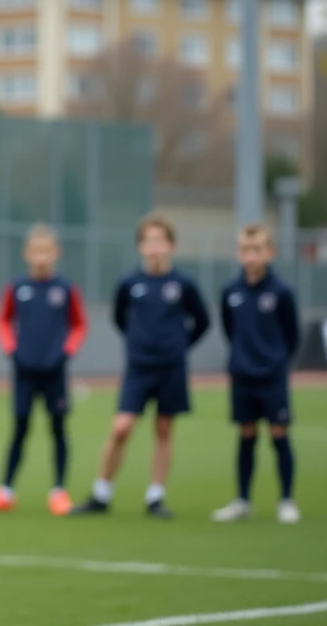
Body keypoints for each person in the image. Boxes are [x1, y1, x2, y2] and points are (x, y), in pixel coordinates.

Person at [71, 212, 209, 519]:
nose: (154, 247)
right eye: (148, 241)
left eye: (160, 240)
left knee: (163, 430)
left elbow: (202, 322)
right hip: (138, 367)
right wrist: (139, 343)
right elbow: (120, 318)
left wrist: (178, 346)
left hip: (172, 367)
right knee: (122, 427)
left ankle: (155, 497)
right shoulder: (129, 282)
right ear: (140, 247)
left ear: (171, 245)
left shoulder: (183, 283)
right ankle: (101, 493)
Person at [0, 224, 88, 516]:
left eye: (47, 251)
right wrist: (11, 350)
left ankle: (59, 492)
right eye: (36, 251)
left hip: (54, 370)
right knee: (19, 428)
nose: (41, 257)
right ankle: (5, 491)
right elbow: (3, 321)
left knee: (58, 428)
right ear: (26, 254)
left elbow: (79, 324)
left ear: (56, 253)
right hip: (24, 370)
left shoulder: (65, 288)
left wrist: (66, 351)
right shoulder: (16, 287)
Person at [210, 223, 301, 525]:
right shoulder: (231, 290)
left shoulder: (281, 291)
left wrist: (274, 361)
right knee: (246, 435)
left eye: (257, 249)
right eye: (245, 250)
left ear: (270, 252)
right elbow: (228, 328)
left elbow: (292, 335)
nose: (250, 256)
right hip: (241, 375)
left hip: (272, 376)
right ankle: (242, 500)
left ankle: (286, 500)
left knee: (278, 435)